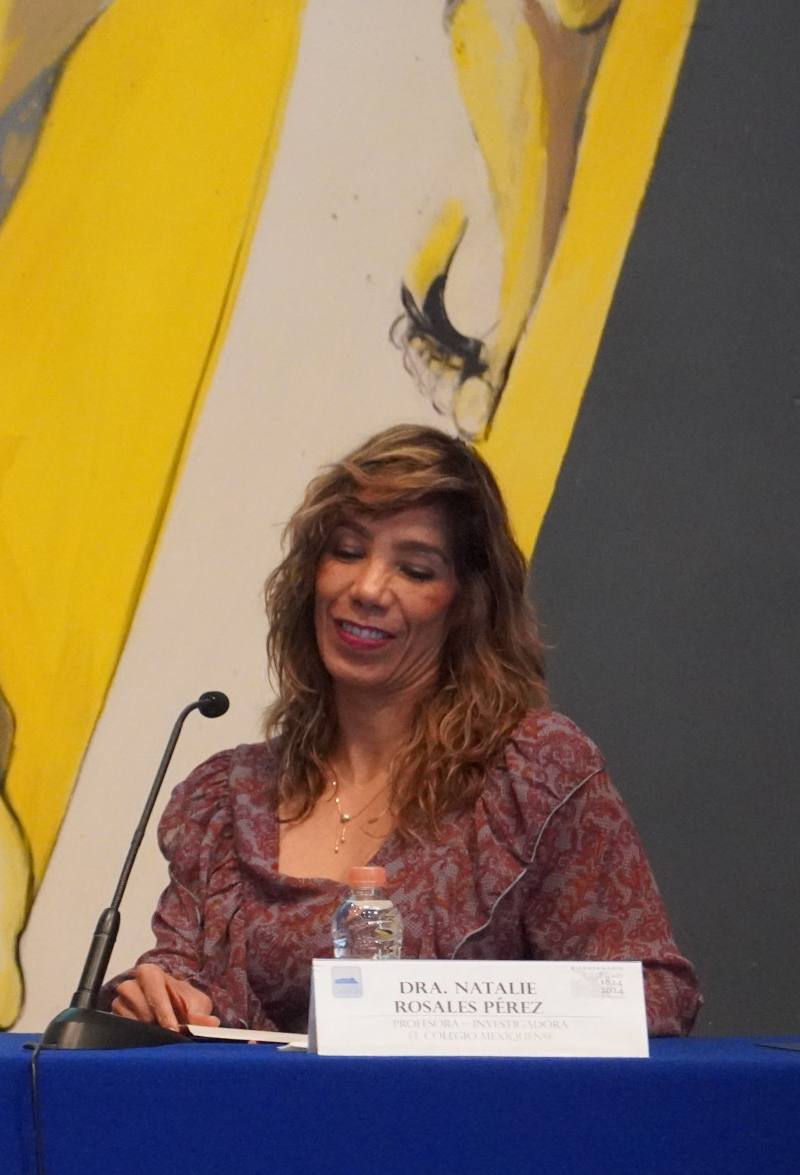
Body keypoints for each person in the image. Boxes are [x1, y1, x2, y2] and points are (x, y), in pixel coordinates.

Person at [110, 424, 699, 1036]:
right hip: (251, 1102)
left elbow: (652, 994)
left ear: (466, 602)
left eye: (415, 570)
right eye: (346, 552)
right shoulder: (228, 798)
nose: (367, 589)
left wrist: (445, 1016)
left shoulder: (533, 774)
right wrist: (159, 996)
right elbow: (180, 969)